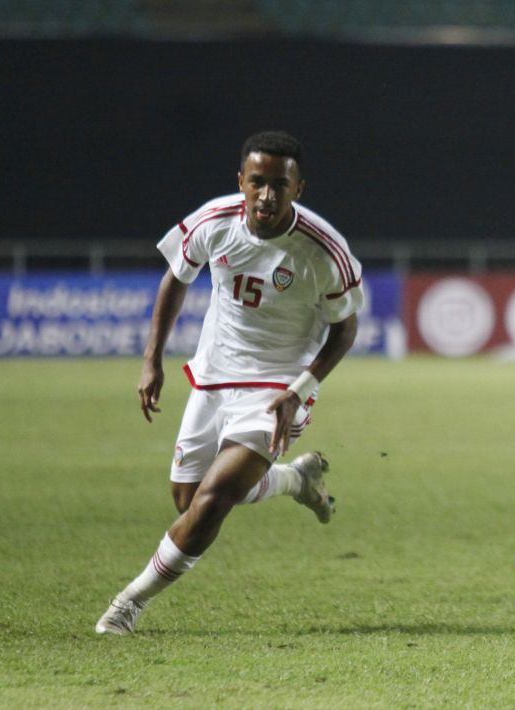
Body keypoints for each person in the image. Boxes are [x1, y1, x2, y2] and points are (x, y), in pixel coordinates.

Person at [96, 130, 363, 635]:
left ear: (298, 188)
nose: (267, 195)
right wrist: (151, 359)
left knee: (213, 501)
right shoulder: (214, 221)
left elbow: (345, 327)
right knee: (188, 500)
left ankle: (128, 604)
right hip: (215, 376)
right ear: (240, 181)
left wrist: (301, 389)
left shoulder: (323, 250)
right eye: (257, 182)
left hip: (278, 388)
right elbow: (177, 275)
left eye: (279, 185)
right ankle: (295, 480)